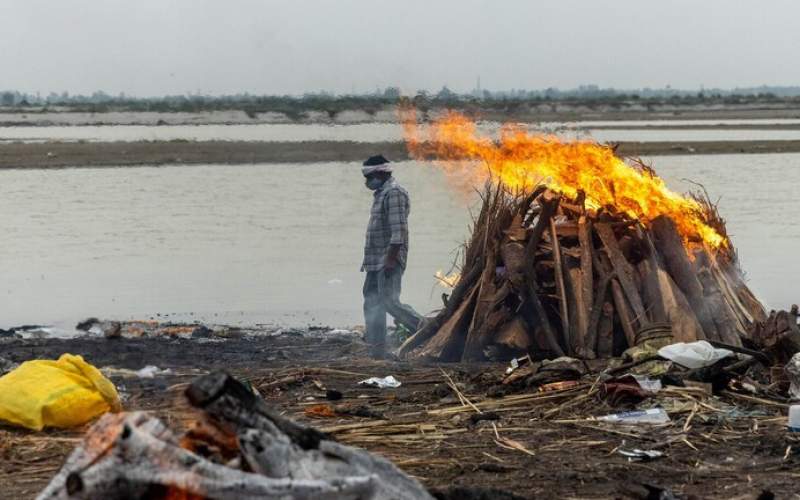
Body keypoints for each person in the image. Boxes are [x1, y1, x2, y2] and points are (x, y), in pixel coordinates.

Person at [360, 154, 423, 358]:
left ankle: (426, 330)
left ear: (381, 172)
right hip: (374, 261)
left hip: (388, 260)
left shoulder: (394, 193)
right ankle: (377, 350)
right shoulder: (381, 193)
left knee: (389, 302)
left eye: (369, 176)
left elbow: (399, 232)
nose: (367, 181)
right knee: (371, 302)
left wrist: (390, 259)